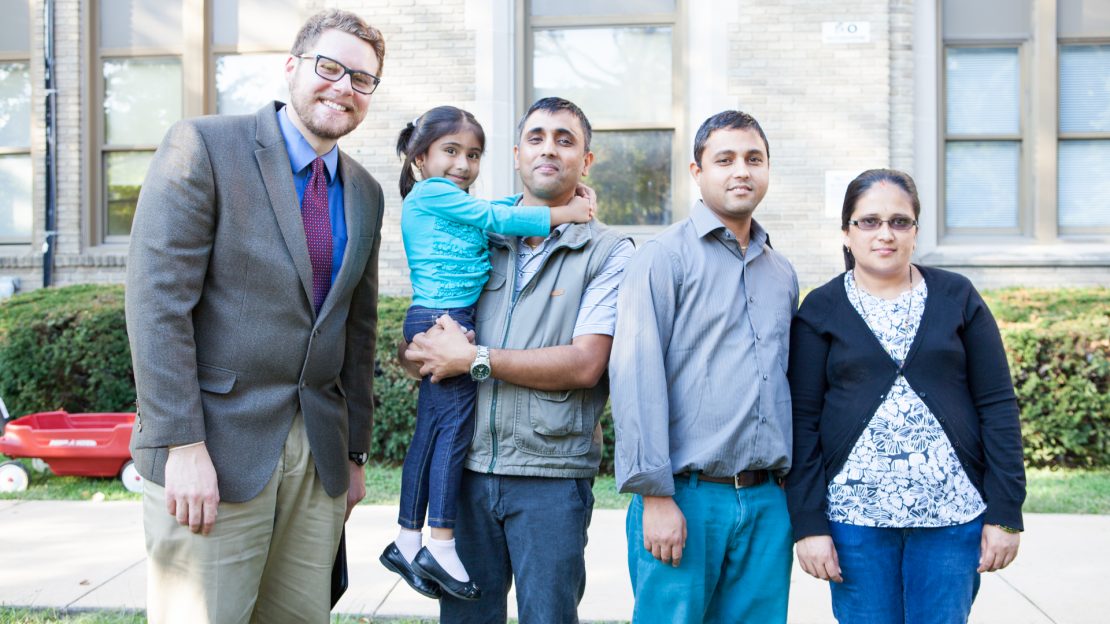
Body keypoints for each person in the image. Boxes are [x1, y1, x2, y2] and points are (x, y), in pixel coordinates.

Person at [125, 10, 385, 623]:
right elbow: (157, 305)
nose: (344, 86)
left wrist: (353, 454)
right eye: (330, 67)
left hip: (316, 456)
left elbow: (358, 329)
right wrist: (181, 442)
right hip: (212, 447)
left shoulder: (365, 191)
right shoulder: (205, 147)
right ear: (292, 68)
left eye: (363, 79)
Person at [403, 96, 634, 623]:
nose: (548, 149)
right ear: (515, 155)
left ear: (586, 160)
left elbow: (584, 364)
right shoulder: (475, 231)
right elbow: (428, 339)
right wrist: (419, 351)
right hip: (464, 471)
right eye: (536, 137)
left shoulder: (609, 251)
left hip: (550, 476)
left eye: (565, 139)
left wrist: (473, 358)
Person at [786, 169, 1025, 624]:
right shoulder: (820, 308)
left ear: (916, 230)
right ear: (846, 232)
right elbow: (801, 420)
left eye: (900, 222)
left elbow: (997, 406)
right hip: (854, 522)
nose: (885, 234)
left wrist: (1006, 512)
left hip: (952, 518)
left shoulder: (957, 297)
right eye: (869, 221)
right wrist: (809, 524)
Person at [609, 110, 799, 623]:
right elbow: (635, 378)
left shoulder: (781, 273)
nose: (742, 170)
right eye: (725, 159)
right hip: (686, 500)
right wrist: (655, 496)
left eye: (753, 159)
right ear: (697, 171)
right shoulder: (662, 259)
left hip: (765, 503)